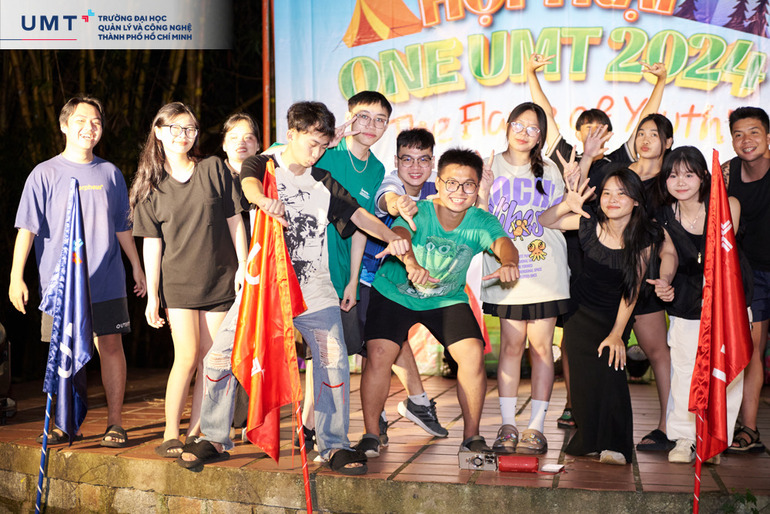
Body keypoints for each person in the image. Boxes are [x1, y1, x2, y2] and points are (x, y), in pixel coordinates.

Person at [239, 100, 410, 475]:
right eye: (311, 144)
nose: (316, 152)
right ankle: (212, 437)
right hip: (265, 286)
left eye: (322, 145)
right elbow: (249, 180)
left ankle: (333, 444)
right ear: (292, 135)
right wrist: (263, 200)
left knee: (334, 359)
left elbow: (360, 217)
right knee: (222, 357)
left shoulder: (329, 179)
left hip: (317, 286)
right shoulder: (266, 165)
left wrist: (392, 240)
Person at [527, 54, 668, 428]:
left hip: (618, 260)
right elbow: (545, 116)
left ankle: (621, 413)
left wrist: (660, 83)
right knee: (574, 336)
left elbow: (646, 122)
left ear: (611, 134)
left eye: (600, 129)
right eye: (586, 128)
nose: (593, 134)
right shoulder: (566, 157)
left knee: (619, 334)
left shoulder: (619, 163)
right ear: (577, 133)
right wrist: (530, 75)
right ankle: (574, 403)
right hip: (577, 256)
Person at [357, 148, 520, 457]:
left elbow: (504, 244)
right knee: (379, 353)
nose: (459, 191)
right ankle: (370, 435)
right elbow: (400, 234)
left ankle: (472, 437)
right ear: (439, 182)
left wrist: (510, 262)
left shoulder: (481, 221)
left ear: (477, 188)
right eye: (452, 183)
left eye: (468, 185)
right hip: (394, 292)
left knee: (472, 354)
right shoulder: (419, 210)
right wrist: (410, 262)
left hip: (445, 298)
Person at [10, 96, 146, 447]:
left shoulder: (110, 173)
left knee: (111, 347)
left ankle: (115, 423)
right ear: (64, 125)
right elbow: (27, 229)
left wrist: (137, 266)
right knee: (62, 351)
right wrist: (16, 277)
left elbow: (122, 226)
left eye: (96, 122)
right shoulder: (44, 173)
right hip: (61, 286)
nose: (90, 128)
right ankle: (63, 423)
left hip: (106, 280)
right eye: (82, 121)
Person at [130, 102, 249, 458]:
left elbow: (235, 219)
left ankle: (198, 432)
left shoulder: (212, 168)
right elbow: (152, 243)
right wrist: (153, 295)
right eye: (176, 128)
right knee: (186, 355)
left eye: (190, 129)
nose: (183, 136)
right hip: (179, 283)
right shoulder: (151, 187)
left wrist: (243, 264)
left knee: (211, 360)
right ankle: (171, 433)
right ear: (159, 132)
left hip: (220, 277)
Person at [540, 167, 663, 465]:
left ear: (636, 200)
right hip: (580, 310)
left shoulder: (645, 235)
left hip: (615, 313)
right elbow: (545, 221)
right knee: (583, 378)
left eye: (621, 193)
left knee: (611, 372)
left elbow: (632, 289)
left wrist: (617, 333)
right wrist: (567, 205)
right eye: (607, 193)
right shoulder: (589, 221)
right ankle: (589, 440)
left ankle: (616, 444)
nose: (612, 199)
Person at [476, 102, 570, 455]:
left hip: (545, 269)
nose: (524, 133)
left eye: (533, 128)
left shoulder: (550, 170)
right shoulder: (489, 166)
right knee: (511, 347)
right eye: (519, 124)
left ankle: (535, 428)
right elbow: (479, 221)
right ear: (507, 125)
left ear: (541, 136)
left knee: (542, 349)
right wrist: (483, 192)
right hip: (507, 272)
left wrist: (574, 197)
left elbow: (559, 218)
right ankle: (507, 425)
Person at [173, 113, 261, 468]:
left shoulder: (269, 177)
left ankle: (250, 422)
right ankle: (208, 430)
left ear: (259, 144)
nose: (242, 142)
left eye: (249, 137)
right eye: (234, 136)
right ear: (223, 143)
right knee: (218, 354)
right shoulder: (208, 174)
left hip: (262, 276)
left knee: (256, 351)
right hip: (220, 279)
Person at [585, 113, 676, 452]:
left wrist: (664, 276)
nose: (645, 139)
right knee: (592, 347)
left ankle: (667, 425)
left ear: (668, 142)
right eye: (641, 133)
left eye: (654, 134)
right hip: (607, 278)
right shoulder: (618, 173)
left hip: (647, 279)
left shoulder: (671, 181)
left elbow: (667, 244)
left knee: (657, 351)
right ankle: (585, 418)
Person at [651, 146, 745, 463]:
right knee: (684, 368)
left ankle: (716, 439)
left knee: (728, 368)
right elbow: (669, 253)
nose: (680, 182)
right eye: (673, 175)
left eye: (688, 175)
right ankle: (685, 438)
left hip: (728, 296)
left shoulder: (728, 205)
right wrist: (664, 281)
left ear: (704, 177)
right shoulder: (665, 214)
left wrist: (716, 287)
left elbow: (724, 252)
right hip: (687, 295)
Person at [358, 128, 447, 450]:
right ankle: (384, 415)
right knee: (377, 345)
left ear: (432, 162)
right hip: (370, 277)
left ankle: (413, 403)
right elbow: (389, 200)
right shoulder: (391, 183)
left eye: (423, 160)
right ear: (396, 161)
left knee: (388, 343)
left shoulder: (436, 187)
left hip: (404, 279)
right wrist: (400, 204)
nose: (415, 167)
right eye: (407, 159)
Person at [723, 106, 770, 454]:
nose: (746, 140)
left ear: (767, 136)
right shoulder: (726, 175)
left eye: (753, 132)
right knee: (753, 350)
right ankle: (749, 428)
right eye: (738, 134)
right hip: (752, 274)